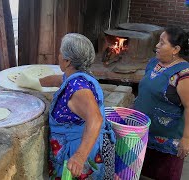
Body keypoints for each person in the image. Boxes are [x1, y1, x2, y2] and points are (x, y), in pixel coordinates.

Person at [16, 33, 116, 179]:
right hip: (93, 145)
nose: (58, 56)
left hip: (81, 152)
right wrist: (32, 82)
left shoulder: (77, 88)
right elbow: (57, 80)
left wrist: (79, 157)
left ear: (67, 61)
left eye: (60, 53)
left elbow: (96, 119)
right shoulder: (79, 76)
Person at [134, 26, 189, 180]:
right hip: (143, 133)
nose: (157, 46)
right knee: (139, 173)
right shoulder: (153, 63)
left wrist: (187, 139)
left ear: (175, 49)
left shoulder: (187, 76)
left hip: (166, 141)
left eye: (162, 43)